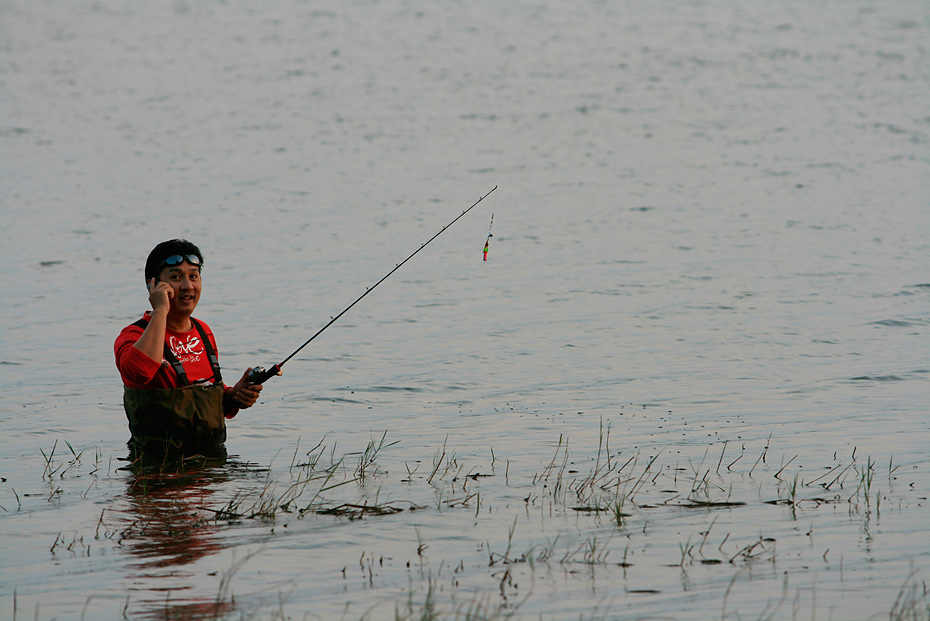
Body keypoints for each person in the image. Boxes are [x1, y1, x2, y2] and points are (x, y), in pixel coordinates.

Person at [114, 239, 263, 453]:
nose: (187, 286)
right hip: (157, 470)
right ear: (152, 284)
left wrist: (234, 396)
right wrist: (160, 311)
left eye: (193, 276)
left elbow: (201, 407)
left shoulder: (204, 331)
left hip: (210, 467)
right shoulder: (133, 336)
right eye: (175, 277)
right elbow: (138, 373)